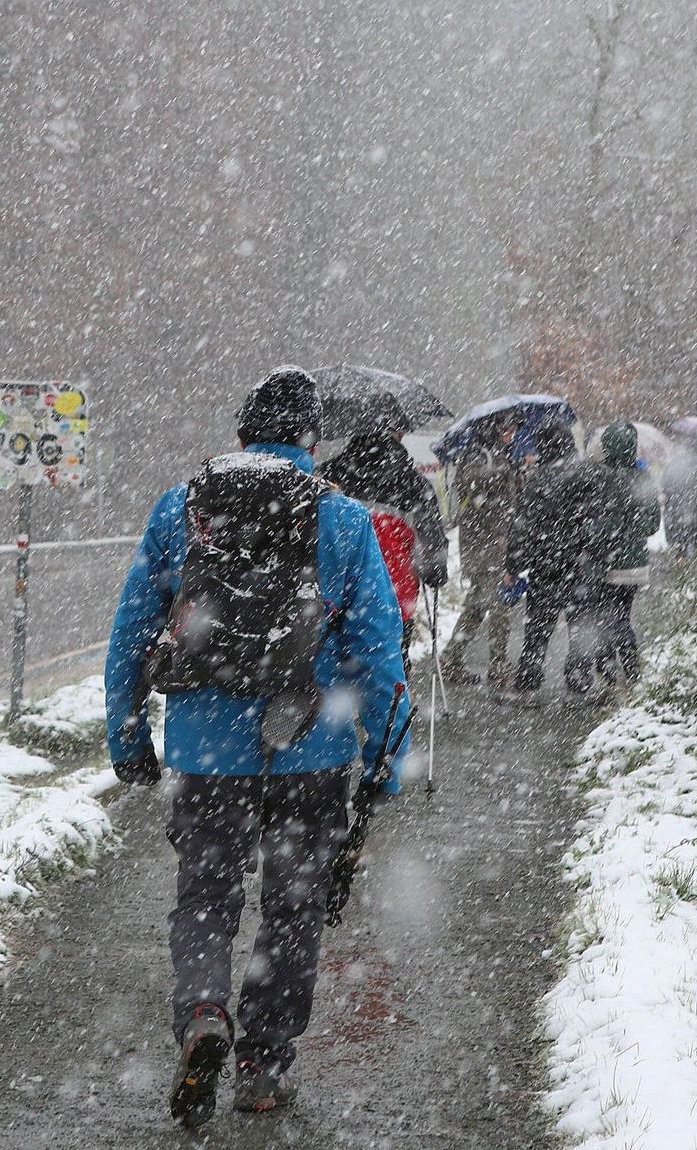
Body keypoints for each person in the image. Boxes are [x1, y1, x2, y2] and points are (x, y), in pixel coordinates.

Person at [104, 366, 411, 1130]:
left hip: (206, 754)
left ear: (241, 434)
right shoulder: (341, 518)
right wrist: (386, 760)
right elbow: (379, 649)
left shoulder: (182, 508)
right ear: (313, 439)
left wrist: (128, 732)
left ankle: (205, 1011)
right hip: (312, 748)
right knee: (295, 905)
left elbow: (131, 633)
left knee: (206, 896)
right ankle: (263, 1062)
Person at [320, 429, 449, 652]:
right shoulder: (414, 486)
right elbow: (432, 550)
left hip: (337, 600)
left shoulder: (327, 478)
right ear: (397, 433)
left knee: (335, 675)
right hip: (394, 599)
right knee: (391, 674)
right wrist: (435, 574)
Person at [501, 418, 591, 696]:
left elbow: (522, 528)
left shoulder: (538, 482)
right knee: (581, 629)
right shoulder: (587, 476)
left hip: (547, 566)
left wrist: (513, 567)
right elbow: (597, 519)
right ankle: (578, 683)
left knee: (538, 630)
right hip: (582, 567)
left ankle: (528, 684)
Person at [569, 422, 661, 692]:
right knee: (621, 617)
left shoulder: (600, 478)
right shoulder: (643, 479)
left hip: (605, 563)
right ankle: (630, 673)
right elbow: (652, 525)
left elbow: (591, 526)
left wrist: (605, 531)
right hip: (634, 565)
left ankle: (614, 675)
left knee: (604, 620)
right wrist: (631, 528)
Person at [441, 421, 521, 685]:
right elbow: (470, 483)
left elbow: (506, 499)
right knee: (499, 606)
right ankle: (498, 666)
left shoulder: (500, 455)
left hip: (492, 544)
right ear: (494, 429)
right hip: (484, 545)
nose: (512, 434)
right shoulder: (478, 455)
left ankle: (451, 659)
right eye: (507, 429)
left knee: (476, 606)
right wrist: (503, 472)